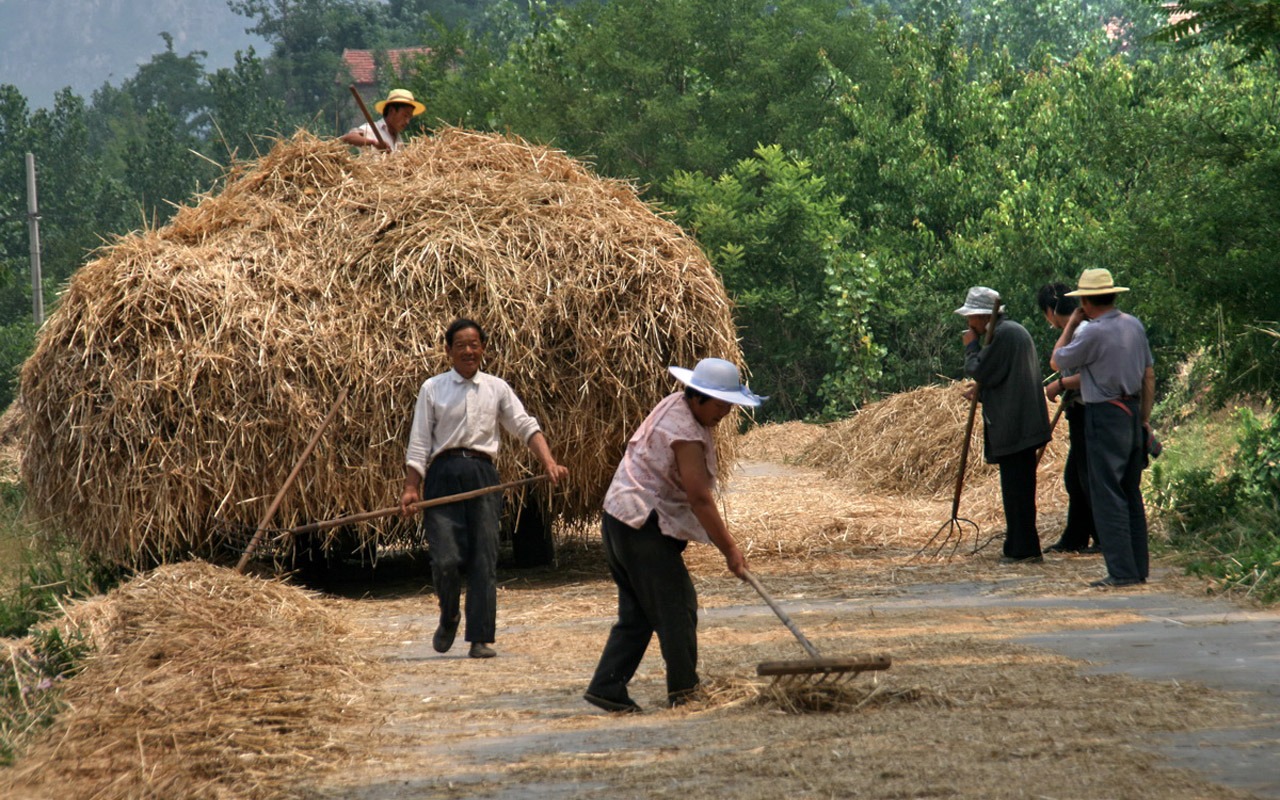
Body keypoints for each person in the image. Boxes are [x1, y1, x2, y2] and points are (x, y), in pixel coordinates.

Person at [584, 358, 763, 713]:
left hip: (619, 517)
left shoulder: (674, 404)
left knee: (637, 615)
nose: (725, 412)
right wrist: (729, 549)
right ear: (696, 397)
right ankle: (684, 691)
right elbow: (699, 497)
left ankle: (607, 687)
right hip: (641, 524)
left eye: (729, 404)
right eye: (719, 403)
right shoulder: (687, 433)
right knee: (679, 607)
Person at [400, 318, 569, 658]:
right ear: (448, 351)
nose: (468, 351)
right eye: (460, 345)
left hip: (483, 476)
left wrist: (548, 462)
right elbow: (419, 442)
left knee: (483, 558)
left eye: (474, 344)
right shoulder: (432, 388)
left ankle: (479, 638)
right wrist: (411, 486)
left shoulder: (496, 388)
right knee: (445, 560)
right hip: (443, 476)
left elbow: (524, 425)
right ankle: (449, 615)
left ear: (483, 349)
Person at [1050, 269, 1155, 588]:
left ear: (1084, 301)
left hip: (1103, 414)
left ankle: (1121, 572)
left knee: (1107, 494)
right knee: (1130, 492)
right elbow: (1148, 375)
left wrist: (1070, 323)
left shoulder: (1091, 332)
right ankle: (1137, 568)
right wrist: (1143, 420)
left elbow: (1057, 361)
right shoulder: (1133, 325)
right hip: (1131, 410)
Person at [956, 287, 1052, 564]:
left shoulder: (1006, 334)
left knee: (1017, 490)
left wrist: (971, 346)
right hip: (1020, 421)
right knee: (1016, 488)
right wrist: (982, 389)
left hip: (1018, 423)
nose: (969, 324)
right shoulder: (1007, 333)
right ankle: (1019, 544)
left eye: (971, 318)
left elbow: (980, 368)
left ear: (983, 316)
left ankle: (1024, 549)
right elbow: (1000, 376)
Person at [1037, 283, 1099, 555]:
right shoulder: (1076, 330)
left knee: (1086, 478)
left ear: (1050, 312)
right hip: (1080, 411)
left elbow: (1089, 373)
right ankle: (1075, 537)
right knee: (1076, 477)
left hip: (1090, 411)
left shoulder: (1082, 331)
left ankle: (1101, 537)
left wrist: (1061, 384)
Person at [340, 88, 425, 152]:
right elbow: (348, 138)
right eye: (405, 116)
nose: (407, 121)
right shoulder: (372, 129)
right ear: (392, 111)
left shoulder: (400, 142)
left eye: (409, 117)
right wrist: (374, 143)